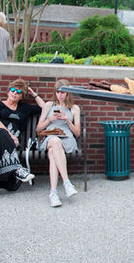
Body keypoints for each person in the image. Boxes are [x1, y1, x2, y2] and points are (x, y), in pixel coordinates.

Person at [0, 79, 45, 201]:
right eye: (12, 90)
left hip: (6, 144)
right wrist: (11, 136)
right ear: (8, 92)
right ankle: (17, 169)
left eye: (18, 92)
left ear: (22, 96)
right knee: (1, 132)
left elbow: (45, 108)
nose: (14, 93)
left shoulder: (25, 108)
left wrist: (34, 94)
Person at [36, 79, 81, 207]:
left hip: (66, 138)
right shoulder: (49, 105)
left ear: (68, 93)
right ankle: (67, 182)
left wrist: (67, 120)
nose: (60, 95)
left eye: (63, 92)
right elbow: (38, 128)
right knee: (55, 142)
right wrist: (50, 119)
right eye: (57, 92)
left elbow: (77, 133)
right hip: (50, 136)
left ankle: (53, 193)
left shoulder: (74, 108)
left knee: (52, 152)